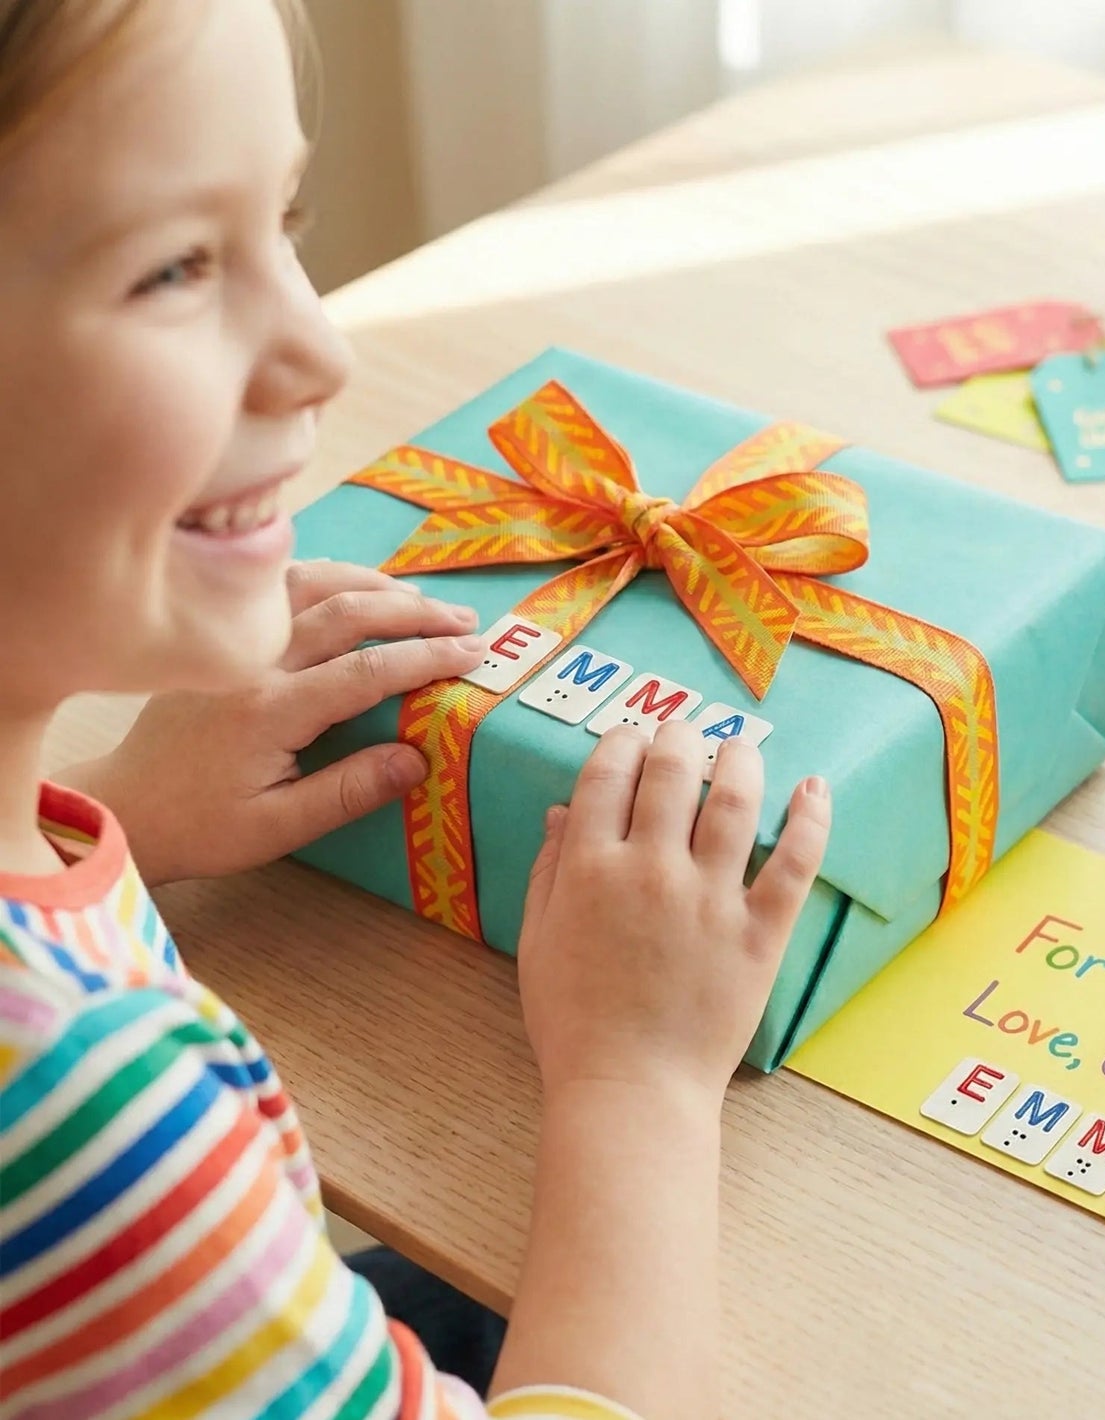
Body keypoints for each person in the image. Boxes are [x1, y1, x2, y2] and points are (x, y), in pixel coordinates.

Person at [0, 3, 832, 1418]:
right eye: (179, 267)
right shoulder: (90, 1121)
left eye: (286, 217)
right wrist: (639, 1085)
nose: (321, 349)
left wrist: (116, 819)